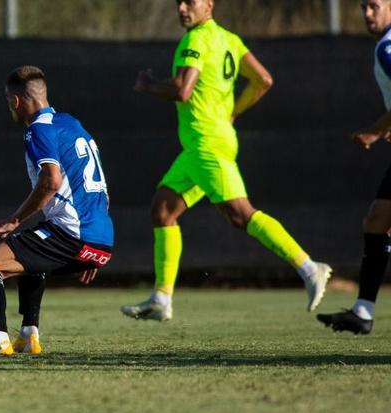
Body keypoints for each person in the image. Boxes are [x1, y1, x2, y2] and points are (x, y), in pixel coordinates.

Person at [122, 0, 330, 321]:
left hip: (207, 146)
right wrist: (233, 112)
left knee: (240, 215)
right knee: (162, 210)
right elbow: (263, 79)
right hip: (203, 146)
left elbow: (182, 90)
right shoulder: (229, 39)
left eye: (190, 2)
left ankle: (308, 267)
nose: (182, 8)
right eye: (178, 2)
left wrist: (147, 85)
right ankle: (162, 297)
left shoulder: (196, 39)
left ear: (209, 4)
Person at [0, 66, 114, 356]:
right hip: (102, 241)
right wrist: (94, 245)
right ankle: (29, 335)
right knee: (30, 261)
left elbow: (51, 181)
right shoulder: (71, 124)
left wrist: (14, 219)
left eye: (9, 100)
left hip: (72, 233)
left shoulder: (38, 129)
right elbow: (101, 191)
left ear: (17, 101)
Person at [318, 0, 391, 335]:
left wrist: (375, 132)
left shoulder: (387, 47)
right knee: (377, 220)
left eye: (374, 6)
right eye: (363, 6)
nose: (366, 13)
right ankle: (363, 311)